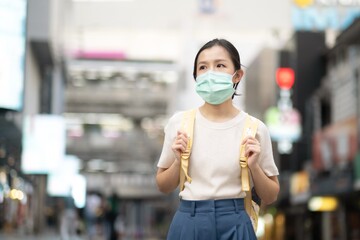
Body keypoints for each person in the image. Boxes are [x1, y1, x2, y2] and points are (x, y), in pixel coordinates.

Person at [156, 38, 280, 240]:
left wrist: (254, 167)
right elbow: (163, 185)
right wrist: (178, 162)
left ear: (237, 75)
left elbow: (271, 195)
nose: (211, 73)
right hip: (190, 219)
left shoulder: (255, 129)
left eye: (220, 65)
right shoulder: (179, 123)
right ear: (196, 76)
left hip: (236, 220)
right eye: (203, 67)